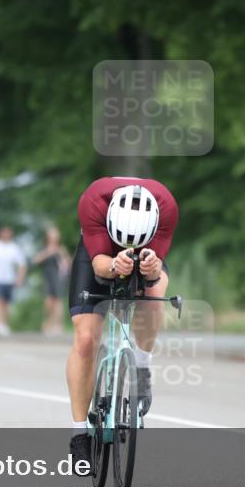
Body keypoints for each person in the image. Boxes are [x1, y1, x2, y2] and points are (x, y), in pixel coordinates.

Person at [65, 178, 178, 471]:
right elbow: (99, 264)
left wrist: (152, 267)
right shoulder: (93, 202)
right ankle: (79, 435)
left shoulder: (166, 207)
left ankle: (141, 366)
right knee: (86, 338)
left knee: (153, 296)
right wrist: (115, 265)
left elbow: (155, 276)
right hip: (99, 252)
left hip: (148, 248)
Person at [33, 227, 71, 336]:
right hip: (47, 277)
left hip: (58, 277)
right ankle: (47, 323)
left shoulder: (61, 249)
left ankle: (58, 325)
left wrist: (61, 254)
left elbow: (67, 263)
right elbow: (36, 260)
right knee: (48, 302)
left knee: (58, 301)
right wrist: (48, 252)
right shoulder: (44, 248)